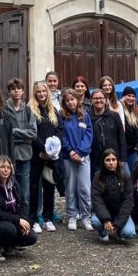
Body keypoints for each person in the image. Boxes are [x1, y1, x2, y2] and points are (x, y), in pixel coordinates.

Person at [0, 155, 38, 261]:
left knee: (31, 237)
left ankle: (9, 245)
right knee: (9, 229)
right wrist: (17, 220)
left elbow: (22, 204)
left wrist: (24, 220)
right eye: (2, 167)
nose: (6, 170)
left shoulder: (14, 183)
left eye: (8, 167)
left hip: (11, 219)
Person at [0, 77, 38, 217]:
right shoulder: (3, 109)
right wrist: (23, 135)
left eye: (19, 88)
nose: (16, 91)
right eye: (13, 89)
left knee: (24, 190)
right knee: (7, 189)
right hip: (8, 154)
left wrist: (15, 132)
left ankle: (25, 218)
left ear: (23, 91)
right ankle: (10, 217)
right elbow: (3, 132)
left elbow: (33, 133)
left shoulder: (27, 110)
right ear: (9, 92)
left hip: (25, 154)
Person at [58, 89, 93, 231]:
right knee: (70, 187)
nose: (70, 102)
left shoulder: (84, 115)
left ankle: (86, 216)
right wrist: (70, 151)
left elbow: (89, 134)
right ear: (64, 103)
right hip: (68, 156)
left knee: (84, 187)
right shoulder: (62, 117)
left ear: (77, 100)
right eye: (67, 100)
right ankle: (72, 214)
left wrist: (80, 151)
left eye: (73, 99)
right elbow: (62, 135)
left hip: (83, 156)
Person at [28, 81, 61, 231]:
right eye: (38, 91)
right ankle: (34, 219)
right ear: (35, 93)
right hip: (36, 154)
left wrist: (53, 150)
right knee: (34, 187)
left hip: (51, 156)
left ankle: (48, 217)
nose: (41, 94)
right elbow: (33, 133)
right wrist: (43, 149)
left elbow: (58, 130)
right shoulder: (30, 110)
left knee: (49, 185)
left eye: (44, 91)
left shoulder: (53, 110)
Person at [91, 149, 135, 241]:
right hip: (104, 213)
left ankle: (117, 232)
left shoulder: (125, 176)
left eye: (113, 160)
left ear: (117, 161)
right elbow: (97, 200)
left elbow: (128, 202)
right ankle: (103, 232)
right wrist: (105, 219)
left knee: (129, 233)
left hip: (120, 213)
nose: (111, 163)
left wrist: (118, 224)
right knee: (95, 222)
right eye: (108, 160)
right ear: (103, 162)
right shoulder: (97, 176)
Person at [89, 89, 126, 179]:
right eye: (95, 98)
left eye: (101, 98)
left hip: (113, 157)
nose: (98, 100)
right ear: (91, 100)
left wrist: (122, 157)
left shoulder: (114, 116)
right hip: (95, 158)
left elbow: (121, 136)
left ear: (106, 100)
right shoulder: (87, 117)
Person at [119, 87, 138, 173]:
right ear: (123, 97)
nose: (131, 98)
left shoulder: (136, 113)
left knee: (135, 174)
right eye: (128, 96)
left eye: (133, 96)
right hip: (122, 150)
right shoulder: (119, 111)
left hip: (133, 151)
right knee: (126, 176)